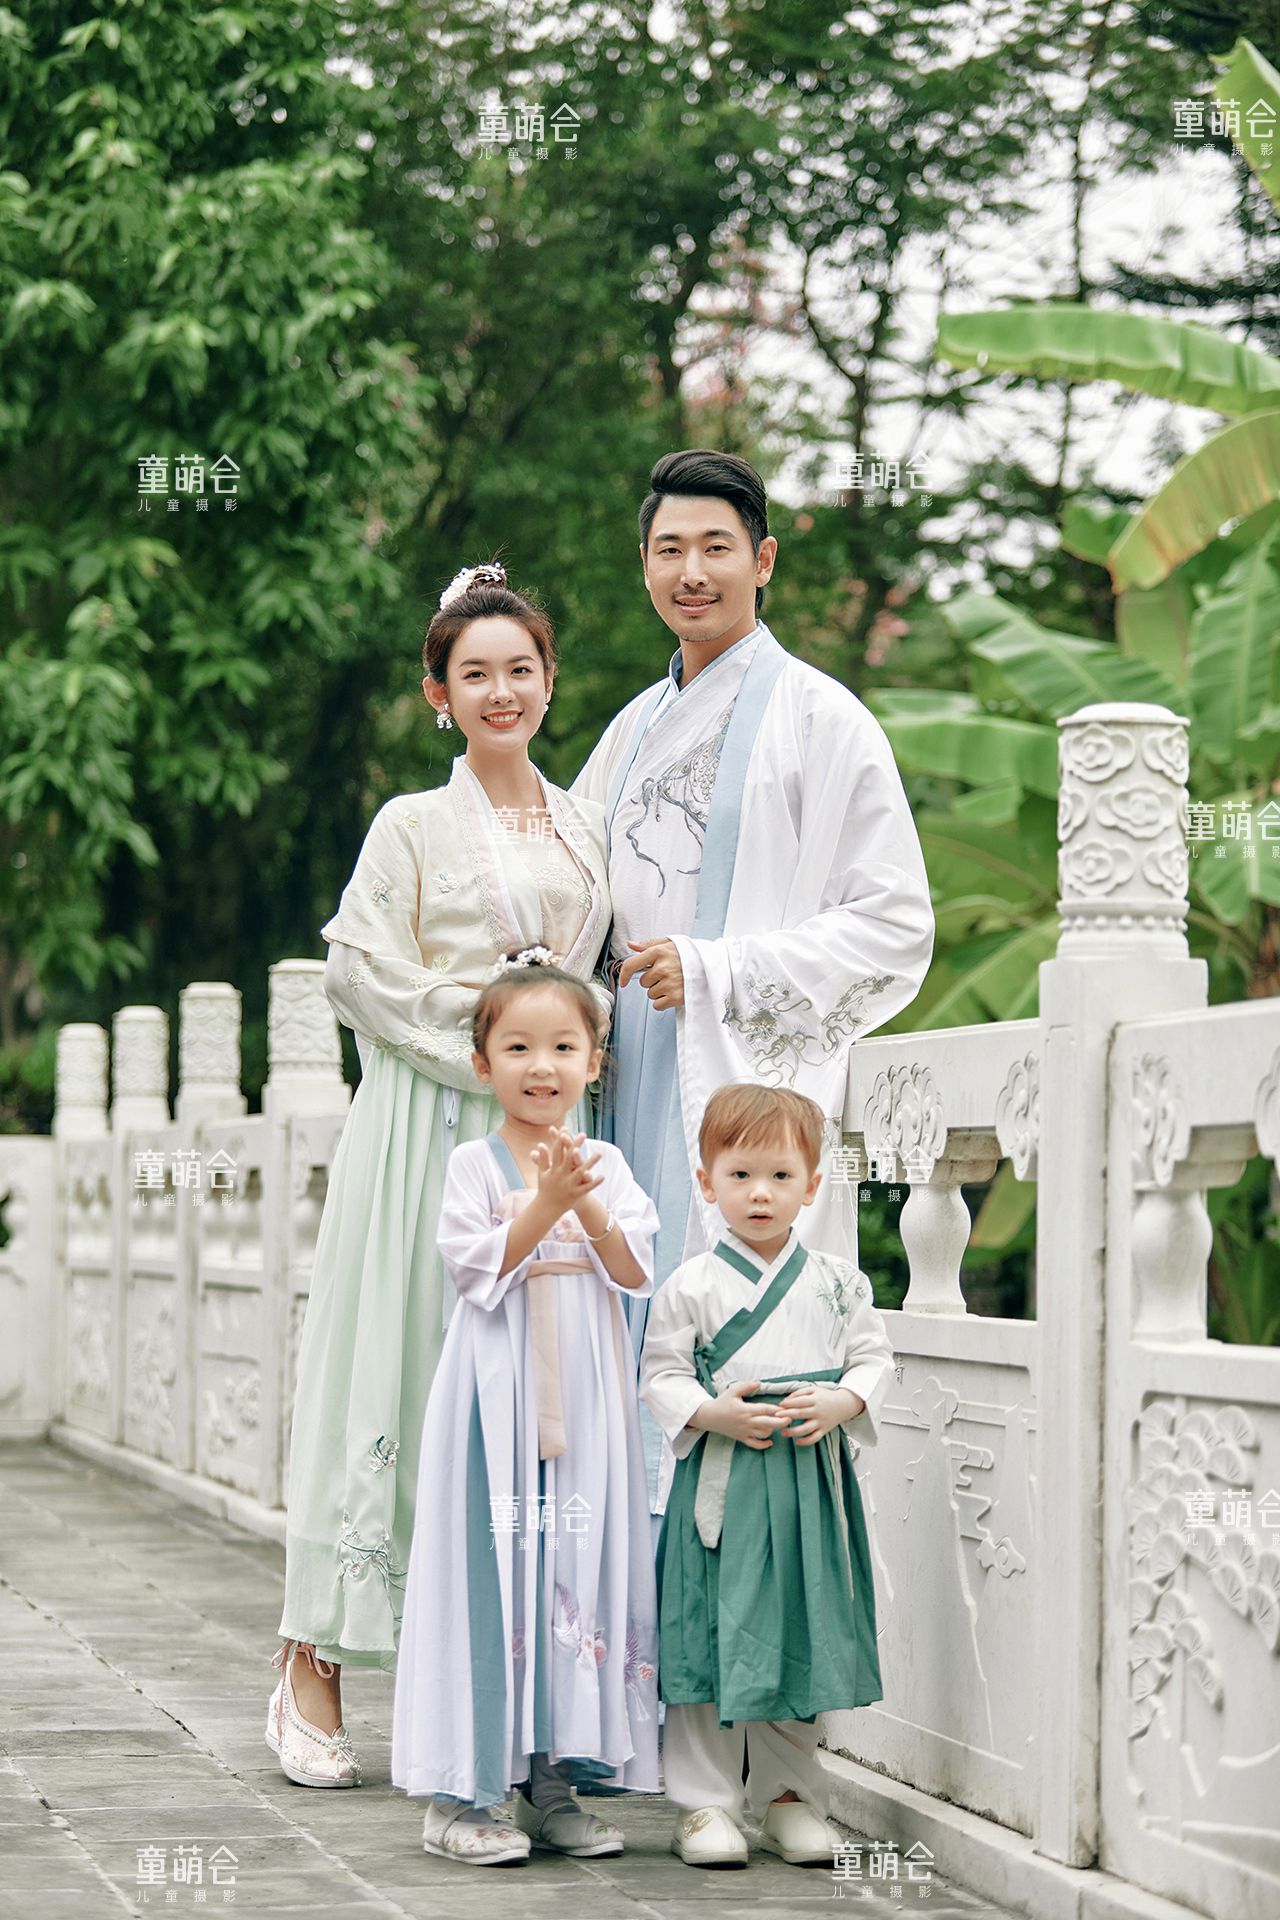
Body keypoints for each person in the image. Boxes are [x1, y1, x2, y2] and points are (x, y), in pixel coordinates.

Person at [267, 563, 612, 1789]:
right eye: (475, 674)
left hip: (545, 1137)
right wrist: (493, 1019)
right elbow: (355, 971)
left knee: (523, 1390)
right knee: (401, 1359)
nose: (499, 690)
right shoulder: (410, 825)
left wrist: (567, 1037)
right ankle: (312, 1658)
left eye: (520, 668)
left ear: (549, 681)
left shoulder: (584, 824)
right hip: (429, 1123)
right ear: (439, 694)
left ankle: (498, 1678)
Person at [572, 448, 933, 1512]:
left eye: (715, 548)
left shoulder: (823, 719)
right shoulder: (629, 732)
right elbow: (572, 889)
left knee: (721, 1341)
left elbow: (894, 925)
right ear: (644, 564)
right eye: (668, 549)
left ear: (762, 561)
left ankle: (727, 1598)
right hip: (623, 1072)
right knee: (620, 1327)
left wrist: (716, 968)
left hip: (732, 1078)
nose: (691, 572)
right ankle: (627, 1600)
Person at [391, 956, 660, 1864]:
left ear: (594, 1061)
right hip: (493, 1403)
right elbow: (477, 1270)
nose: (541, 1066)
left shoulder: (608, 1165)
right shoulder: (471, 1165)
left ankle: (553, 1786)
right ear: (482, 1063)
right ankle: (460, 1796)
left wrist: (586, 1207)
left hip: (585, 1404)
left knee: (571, 1572)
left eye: (562, 1047)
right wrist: (545, 1205)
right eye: (516, 1047)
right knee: (494, 1570)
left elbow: (634, 1272)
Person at [639, 1082, 894, 1869]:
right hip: (722, 1482)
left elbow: (874, 1358)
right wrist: (713, 1414)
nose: (760, 1193)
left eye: (781, 1176)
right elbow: (661, 1374)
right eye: (741, 1174)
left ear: (812, 1186)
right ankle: (704, 1803)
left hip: (807, 1481)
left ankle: (789, 1797)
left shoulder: (840, 1283)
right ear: (706, 1179)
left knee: (797, 1629)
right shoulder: (690, 1285)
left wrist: (844, 1399)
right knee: (709, 1634)